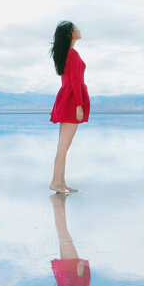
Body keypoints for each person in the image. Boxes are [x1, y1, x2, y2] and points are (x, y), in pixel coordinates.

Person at [49, 21, 89, 193]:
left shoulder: (66, 53)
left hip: (66, 97)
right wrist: (79, 105)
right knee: (64, 146)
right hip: (72, 99)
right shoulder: (71, 53)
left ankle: (61, 182)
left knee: (63, 145)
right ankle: (55, 182)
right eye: (76, 28)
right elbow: (75, 81)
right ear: (70, 34)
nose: (79, 30)